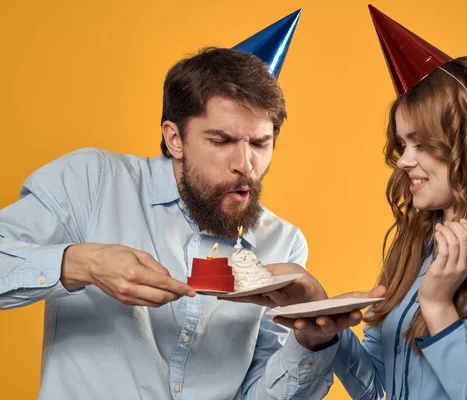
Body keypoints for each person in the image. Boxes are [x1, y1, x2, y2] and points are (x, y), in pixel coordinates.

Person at [0, 25, 339, 400]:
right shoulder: (91, 182)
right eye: (221, 140)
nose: (246, 164)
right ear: (174, 138)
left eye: (261, 142)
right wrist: (80, 263)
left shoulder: (283, 244)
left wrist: (311, 342)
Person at [275, 7, 467, 400]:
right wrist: (326, 324)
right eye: (403, 143)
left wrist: (438, 306)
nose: (405, 160)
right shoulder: (413, 251)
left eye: (422, 143)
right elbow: (377, 390)